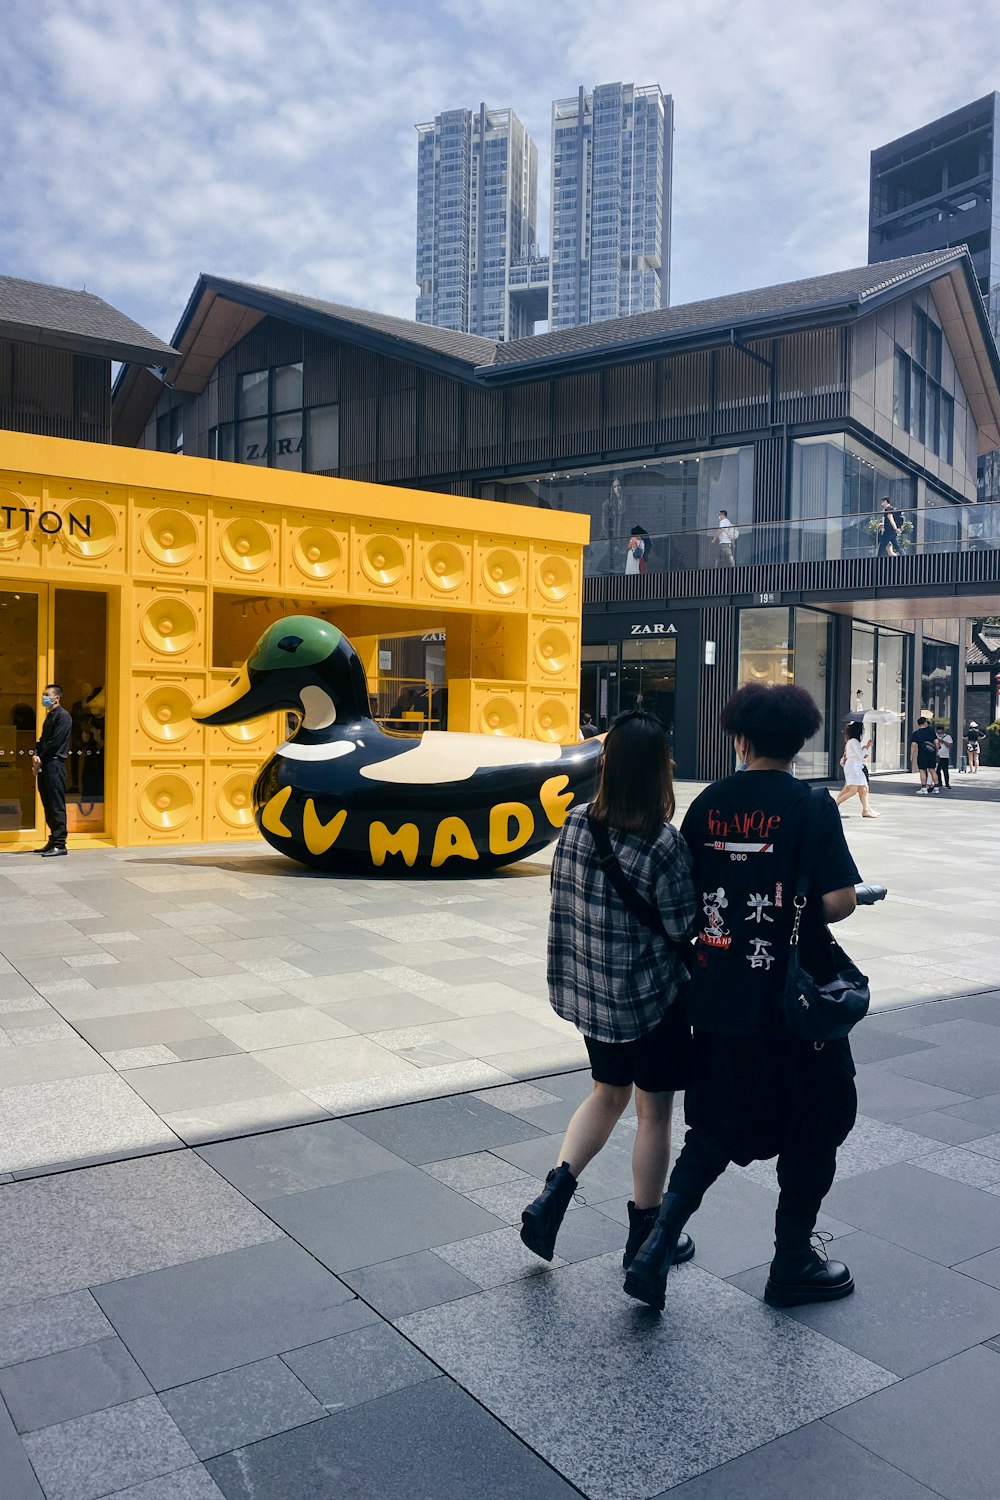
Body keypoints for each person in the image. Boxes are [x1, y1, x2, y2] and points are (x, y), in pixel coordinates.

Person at [623, 683, 861, 1314]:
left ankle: (656, 1246)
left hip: (720, 997)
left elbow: (688, 890)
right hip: (795, 1009)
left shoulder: (710, 804)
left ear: (741, 738)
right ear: (800, 741)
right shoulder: (812, 807)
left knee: (714, 1128)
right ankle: (792, 1263)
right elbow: (837, 901)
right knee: (815, 1128)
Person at [520, 710, 697, 1269]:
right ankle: (646, 1235)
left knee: (607, 1094)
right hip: (650, 1002)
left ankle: (551, 1199)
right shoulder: (663, 843)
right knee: (655, 1114)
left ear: (608, 763)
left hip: (593, 998)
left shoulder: (575, 823)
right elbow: (682, 926)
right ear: (658, 771)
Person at [30, 683, 72, 856]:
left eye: (47, 695)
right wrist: (36, 755)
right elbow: (43, 740)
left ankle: (60, 844)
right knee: (47, 803)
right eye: (43, 694)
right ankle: (53, 840)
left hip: (54, 764)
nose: (44, 698)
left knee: (56, 804)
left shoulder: (63, 716)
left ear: (57, 697)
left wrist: (41, 759)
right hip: (45, 764)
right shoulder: (50, 716)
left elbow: (55, 742)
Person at [835, 723, 878, 817]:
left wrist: (864, 749)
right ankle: (833, 806)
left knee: (863, 788)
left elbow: (858, 755)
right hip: (853, 767)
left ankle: (866, 810)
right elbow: (860, 755)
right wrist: (867, 746)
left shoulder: (852, 741)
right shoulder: (854, 741)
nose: (863, 731)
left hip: (855, 767)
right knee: (852, 791)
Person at [910, 714, 939, 794]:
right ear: (925, 723)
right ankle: (936, 788)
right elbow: (936, 742)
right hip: (931, 753)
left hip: (922, 754)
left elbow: (913, 745)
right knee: (932, 770)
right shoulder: (931, 731)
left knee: (922, 770)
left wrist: (912, 755)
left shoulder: (916, 733)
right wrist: (937, 750)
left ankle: (924, 788)